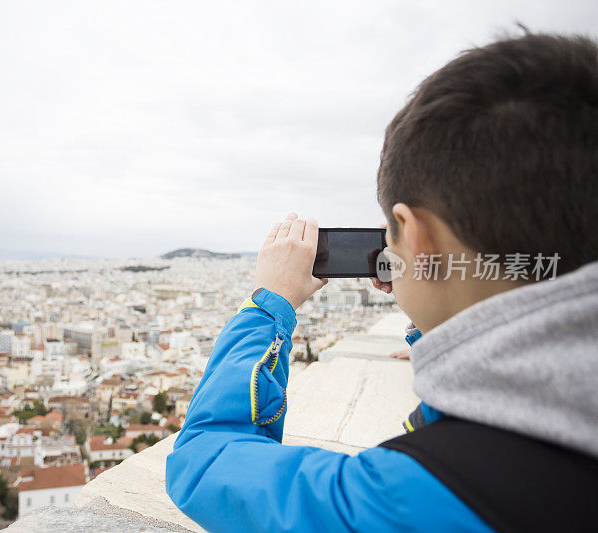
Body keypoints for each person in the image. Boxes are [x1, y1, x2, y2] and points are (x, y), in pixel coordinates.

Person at [165, 31, 598, 532]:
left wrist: (268, 306)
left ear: (415, 234)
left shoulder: (408, 499)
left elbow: (205, 459)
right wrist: (435, 297)